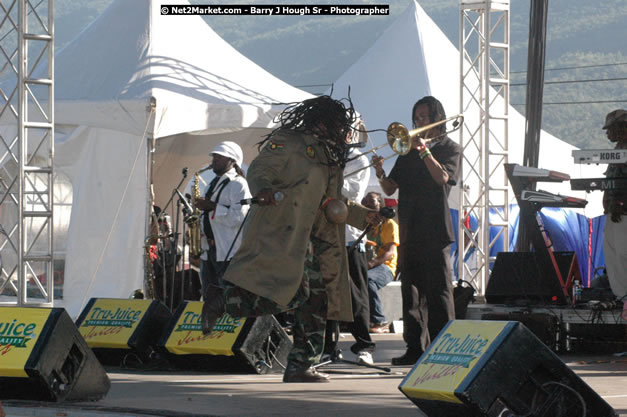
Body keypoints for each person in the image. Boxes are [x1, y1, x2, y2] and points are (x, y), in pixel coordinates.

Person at [200, 96, 382, 383]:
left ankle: (301, 364)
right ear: (322, 122)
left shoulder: (329, 156)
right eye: (337, 126)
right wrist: (265, 189)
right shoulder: (289, 141)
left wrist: (363, 216)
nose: (341, 133)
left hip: (316, 237)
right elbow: (260, 170)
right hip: (285, 231)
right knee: (293, 294)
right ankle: (224, 300)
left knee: (317, 301)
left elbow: (331, 201)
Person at [373, 95, 461, 365]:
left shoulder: (449, 148)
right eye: (416, 118)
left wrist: (424, 150)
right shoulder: (407, 151)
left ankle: (442, 349)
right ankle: (414, 349)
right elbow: (390, 188)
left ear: (437, 118)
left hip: (435, 229)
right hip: (409, 228)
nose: (418, 122)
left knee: (439, 293)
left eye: (424, 117)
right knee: (410, 293)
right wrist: (380, 173)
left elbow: (442, 178)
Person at [324, 125, 375, 366]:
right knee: (327, 293)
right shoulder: (323, 156)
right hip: (326, 235)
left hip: (351, 237)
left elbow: (351, 193)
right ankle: (329, 347)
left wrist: (332, 174)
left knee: (356, 294)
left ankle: (364, 346)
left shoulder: (358, 159)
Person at [194, 141, 251, 295]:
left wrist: (212, 207)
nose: (214, 161)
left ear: (232, 161)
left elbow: (239, 217)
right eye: (214, 157)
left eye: (219, 157)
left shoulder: (238, 184)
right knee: (209, 297)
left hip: (228, 251)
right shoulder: (213, 183)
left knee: (228, 297)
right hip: (209, 250)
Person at [600, 109, 627, 320]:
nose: (608, 134)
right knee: (613, 254)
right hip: (614, 211)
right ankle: (622, 297)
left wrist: (619, 202)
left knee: (622, 254)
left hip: (624, 212)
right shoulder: (619, 149)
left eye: (611, 129)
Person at [361, 192, 399, 333]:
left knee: (367, 279)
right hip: (366, 264)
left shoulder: (390, 224)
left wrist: (370, 264)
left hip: (385, 267)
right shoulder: (364, 223)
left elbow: (389, 253)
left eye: (372, 203)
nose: (368, 206)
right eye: (365, 203)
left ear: (380, 205)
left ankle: (380, 321)